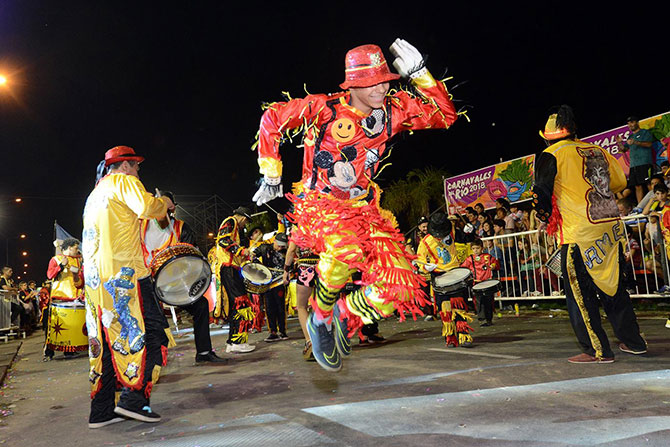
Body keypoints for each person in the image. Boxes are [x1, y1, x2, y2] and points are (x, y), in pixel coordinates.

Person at [252, 39, 459, 371]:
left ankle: (338, 318)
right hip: (321, 206)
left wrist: (421, 75)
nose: (380, 89)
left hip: (366, 209)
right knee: (345, 250)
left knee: (403, 285)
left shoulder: (393, 111)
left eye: (385, 80)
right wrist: (271, 173)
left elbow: (445, 116)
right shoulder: (325, 109)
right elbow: (272, 119)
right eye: (371, 83)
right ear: (352, 84)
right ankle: (321, 309)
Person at [533, 105, 647, 364]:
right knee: (615, 289)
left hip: (579, 233)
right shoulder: (598, 150)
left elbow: (540, 192)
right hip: (610, 229)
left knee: (580, 296)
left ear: (548, 135)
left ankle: (597, 350)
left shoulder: (550, 154)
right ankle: (634, 342)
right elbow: (619, 183)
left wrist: (544, 217)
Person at [83, 145, 175, 428]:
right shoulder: (123, 181)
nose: (138, 171)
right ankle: (133, 401)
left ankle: (101, 411)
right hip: (126, 276)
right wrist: (166, 204)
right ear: (125, 165)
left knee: (106, 342)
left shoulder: (95, 193)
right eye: (136, 166)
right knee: (152, 332)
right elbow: (146, 207)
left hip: (97, 282)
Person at [139, 191, 225, 364]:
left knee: (200, 305)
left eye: (168, 207)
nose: (165, 211)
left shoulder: (180, 227)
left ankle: (203, 352)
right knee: (149, 320)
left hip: (177, 285)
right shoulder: (141, 225)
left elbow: (192, 253)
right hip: (148, 281)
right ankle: (149, 362)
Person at [417, 212, 473, 347]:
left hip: (455, 273)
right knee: (445, 309)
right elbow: (419, 260)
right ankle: (450, 337)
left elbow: (468, 242)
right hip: (439, 275)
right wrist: (426, 267)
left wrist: (470, 232)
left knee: (459, 307)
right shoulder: (425, 242)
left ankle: (463, 335)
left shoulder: (454, 233)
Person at [214, 206, 256, 354]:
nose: (245, 225)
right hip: (228, 268)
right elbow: (223, 241)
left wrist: (243, 255)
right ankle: (238, 342)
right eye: (246, 222)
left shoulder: (234, 226)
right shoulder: (231, 221)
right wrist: (241, 250)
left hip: (232, 269)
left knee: (235, 306)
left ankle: (233, 342)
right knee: (242, 303)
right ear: (243, 218)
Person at [44, 238, 86, 360]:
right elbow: (50, 275)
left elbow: (79, 283)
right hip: (60, 296)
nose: (77, 250)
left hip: (74, 297)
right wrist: (61, 266)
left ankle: (70, 350)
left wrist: (76, 276)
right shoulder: (55, 259)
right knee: (53, 327)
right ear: (68, 248)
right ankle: (49, 352)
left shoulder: (78, 261)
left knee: (72, 326)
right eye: (75, 248)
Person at [283, 239, 318, 360]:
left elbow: (291, 249)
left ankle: (310, 341)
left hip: (306, 268)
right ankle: (325, 340)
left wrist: (286, 270)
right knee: (321, 305)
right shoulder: (324, 219)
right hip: (324, 267)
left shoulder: (299, 226)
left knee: (302, 306)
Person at [254, 232, 289, 342]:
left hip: (279, 283)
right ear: (274, 241)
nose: (280, 248)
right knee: (269, 307)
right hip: (268, 283)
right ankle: (272, 331)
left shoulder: (285, 251)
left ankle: (282, 331)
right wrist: (254, 259)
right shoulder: (265, 248)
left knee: (280, 307)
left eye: (282, 246)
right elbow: (253, 254)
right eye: (278, 245)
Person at [617, 116, 656, 203]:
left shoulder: (645, 132)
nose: (630, 125)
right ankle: (639, 207)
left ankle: (655, 202)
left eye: (632, 122)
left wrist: (635, 142)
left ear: (637, 123)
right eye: (628, 123)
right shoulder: (630, 136)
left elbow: (649, 144)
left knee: (648, 184)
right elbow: (624, 149)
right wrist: (619, 143)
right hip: (634, 165)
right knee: (637, 186)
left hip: (645, 163)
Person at [461, 239, 499, 326]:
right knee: (478, 302)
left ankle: (489, 318)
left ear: (482, 248)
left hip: (487, 282)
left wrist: (493, 266)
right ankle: (482, 319)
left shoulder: (487, 256)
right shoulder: (470, 258)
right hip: (476, 283)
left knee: (489, 301)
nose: (475, 250)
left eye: (477, 248)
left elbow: (495, 263)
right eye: (473, 248)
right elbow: (463, 267)